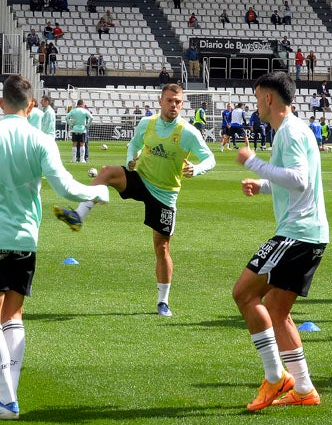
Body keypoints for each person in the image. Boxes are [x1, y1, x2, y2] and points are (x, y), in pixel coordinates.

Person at [0, 76, 108, 419]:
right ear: (31, 106)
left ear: (2, 103)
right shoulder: (41, 139)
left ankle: (7, 400)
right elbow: (66, 187)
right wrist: (96, 192)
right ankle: (8, 399)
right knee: (13, 316)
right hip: (26, 239)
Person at [55, 83, 216, 317]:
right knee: (108, 172)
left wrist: (197, 168)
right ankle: (78, 215)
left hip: (165, 193)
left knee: (162, 248)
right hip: (141, 179)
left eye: (178, 102)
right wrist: (131, 159)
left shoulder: (188, 132)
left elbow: (209, 158)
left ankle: (163, 301)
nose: (173, 105)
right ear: (160, 101)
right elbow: (134, 145)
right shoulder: (146, 124)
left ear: (182, 104)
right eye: (169, 100)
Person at [234, 70, 328, 410]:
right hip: (310, 233)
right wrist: (263, 185)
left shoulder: (288, 132)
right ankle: (304, 388)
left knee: (244, 293)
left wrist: (255, 163)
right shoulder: (294, 130)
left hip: (297, 234)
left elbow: (300, 180)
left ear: (269, 98)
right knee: (276, 310)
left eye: (258, 97)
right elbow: (294, 180)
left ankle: (275, 377)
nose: (256, 104)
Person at [66, 98, 92, 163]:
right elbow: (91, 117)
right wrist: (88, 125)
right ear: (82, 104)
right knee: (82, 144)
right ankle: (82, 159)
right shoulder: (85, 111)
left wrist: (71, 124)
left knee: (74, 144)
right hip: (82, 129)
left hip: (75, 129)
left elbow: (66, 117)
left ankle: (74, 159)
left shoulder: (73, 110)